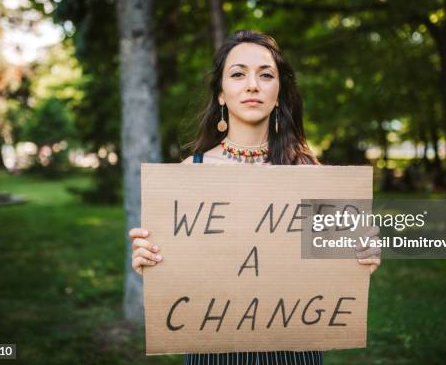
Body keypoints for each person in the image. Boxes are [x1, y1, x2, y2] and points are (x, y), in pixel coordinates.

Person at [129, 29, 381, 365]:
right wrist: (151, 260)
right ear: (221, 93)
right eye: (237, 74)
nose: (252, 85)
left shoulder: (308, 170)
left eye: (265, 75)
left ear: (278, 93)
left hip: (293, 349)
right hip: (213, 350)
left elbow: (334, 262)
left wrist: (361, 255)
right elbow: (179, 267)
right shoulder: (192, 171)